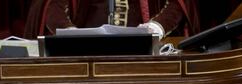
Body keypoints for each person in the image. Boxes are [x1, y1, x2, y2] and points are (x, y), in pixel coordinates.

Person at [23, 0, 200, 39]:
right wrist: (70, 33)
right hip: (88, 51)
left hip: (142, 50)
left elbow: (179, 4)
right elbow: (51, 6)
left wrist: (157, 26)